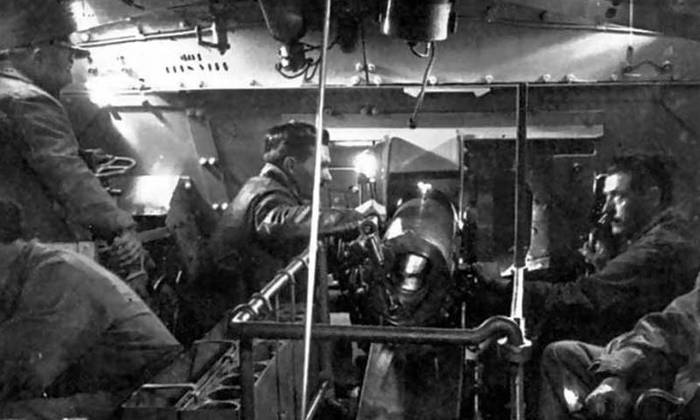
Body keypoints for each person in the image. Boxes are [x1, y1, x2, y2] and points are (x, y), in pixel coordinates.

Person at [477, 153, 700, 346]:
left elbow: (584, 297)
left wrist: (506, 287)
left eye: (618, 196)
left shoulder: (659, 247)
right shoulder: (665, 236)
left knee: (556, 351)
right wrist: (603, 266)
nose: (607, 209)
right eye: (607, 197)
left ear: (652, 197)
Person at [0, 0, 144, 280]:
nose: (72, 61)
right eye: (67, 50)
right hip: (27, 254)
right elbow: (69, 177)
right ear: (38, 56)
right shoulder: (28, 100)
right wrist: (121, 227)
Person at [0, 200, 182, 420]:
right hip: (128, 394)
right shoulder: (29, 271)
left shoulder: (56, 274)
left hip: (152, 398)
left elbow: (21, 373)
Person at [197, 121, 374, 329]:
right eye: (322, 166)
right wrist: (357, 218)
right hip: (237, 325)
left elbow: (292, 240)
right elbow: (278, 222)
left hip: (244, 314)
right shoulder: (265, 193)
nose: (328, 176)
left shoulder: (267, 190)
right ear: (291, 165)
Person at [539, 282, 700, 420]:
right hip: (675, 387)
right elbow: (666, 327)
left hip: (683, 402)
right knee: (563, 355)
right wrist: (617, 374)